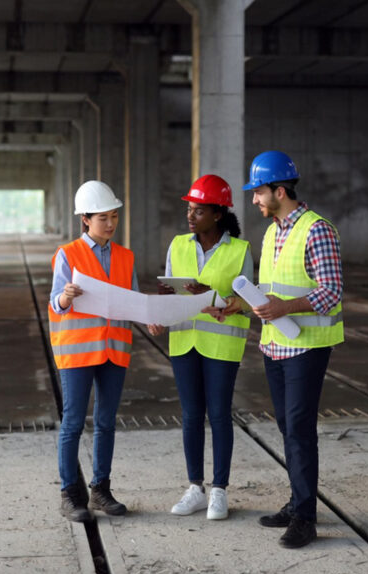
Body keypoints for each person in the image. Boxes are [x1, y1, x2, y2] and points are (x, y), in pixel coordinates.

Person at [244, 151, 344, 549]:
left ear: (279, 191)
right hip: (275, 344)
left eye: (258, 192)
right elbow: (276, 287)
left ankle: (305, 518)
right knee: (288, 429)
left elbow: (331, 291)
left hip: (307, 346)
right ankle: (297, 500)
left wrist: (283, 306)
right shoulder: (272, 232)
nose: (254, 199)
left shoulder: (317, 230)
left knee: (299, 430)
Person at [147, 175, 252, 521]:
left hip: (222, 343)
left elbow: (249, 301)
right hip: (184, 340)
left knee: (219, 414)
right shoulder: (177, 245)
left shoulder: (240, 250)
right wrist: (163, 305)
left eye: (199, 210)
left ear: (218, 214)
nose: (190, 216)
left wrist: (210, 293)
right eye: (189, 209)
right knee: (191, 415)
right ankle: (195, 488)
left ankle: (219, 490)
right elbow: (170, 288)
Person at [49, 180, 139, 523]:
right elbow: (55, 304)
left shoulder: (126, 256)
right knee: (72, 423)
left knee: (106, 422)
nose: (111, 224)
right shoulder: (67, 254)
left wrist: (152, 318)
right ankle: (70, 494)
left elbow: (133, 304)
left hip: (114, 351)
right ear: (85, 220)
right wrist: (66, 297)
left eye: (114, 216)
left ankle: (101, 489)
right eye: (104, 218)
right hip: (78, 353)